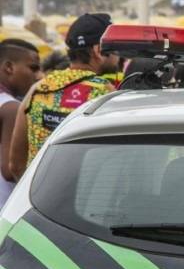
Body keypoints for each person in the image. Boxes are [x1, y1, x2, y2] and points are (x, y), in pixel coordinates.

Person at [9, 13, 119, 180]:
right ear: (98, 51)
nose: (118, 55)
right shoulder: (105, 94)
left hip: (39, 200)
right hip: (84, 201)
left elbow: (16, 166)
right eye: (114, 48)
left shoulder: (38, 90)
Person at [0, 39, 42, 205]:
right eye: (33, 68)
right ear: (9, 67)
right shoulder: (10, 108)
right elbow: (12, 169)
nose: (39, 76)